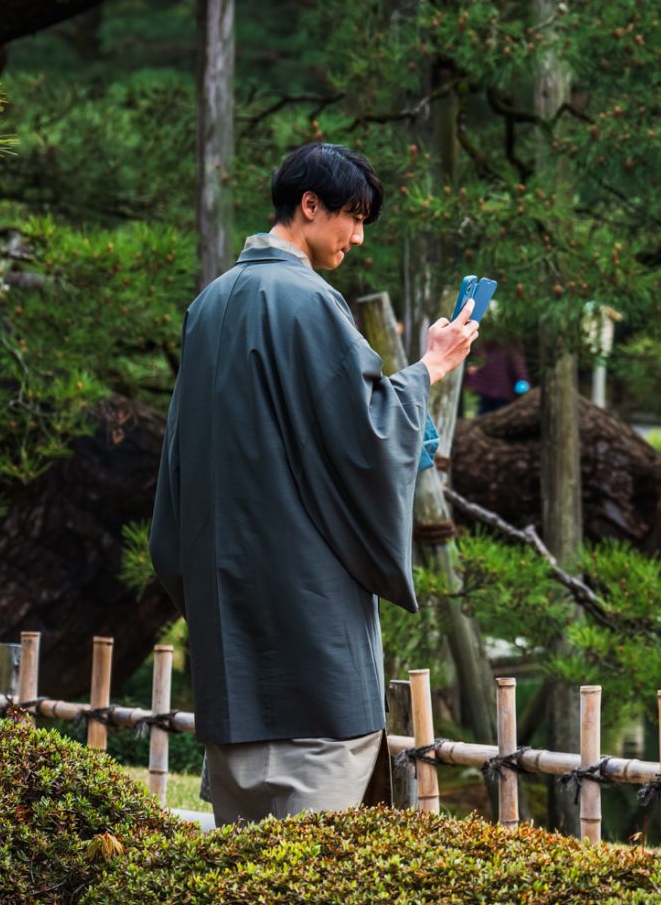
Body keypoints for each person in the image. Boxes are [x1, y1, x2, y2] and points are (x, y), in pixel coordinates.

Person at [148, 142, 479, 825]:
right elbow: (368, 435)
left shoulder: (208, 306)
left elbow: (182, 463)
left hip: (230, 644)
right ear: (308, 206)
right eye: (352, 218)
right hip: (311, 647)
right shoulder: (308, 301)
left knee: (238, 891)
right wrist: (430, 368)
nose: (357, 236)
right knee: (309, 883)